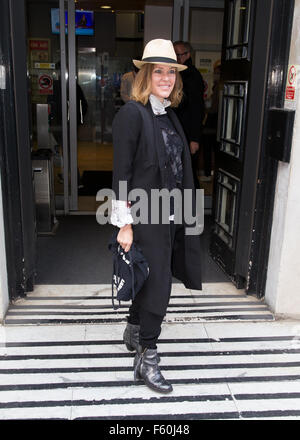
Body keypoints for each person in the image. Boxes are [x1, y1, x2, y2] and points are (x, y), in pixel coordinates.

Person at [111, 39, 202, 394]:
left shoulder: (168, 114)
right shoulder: (132, 114)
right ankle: (148, 357)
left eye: (171, 72)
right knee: (159, 287)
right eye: (158, 71)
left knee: (149, 279)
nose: (166, 77)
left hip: (169, 213)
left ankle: (134, 330)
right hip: (144, 215)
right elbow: (120, 174)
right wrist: (125, 224)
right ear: (144, 75)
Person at [173, 41, 205, 188]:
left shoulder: (192, 76)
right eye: (175, 55)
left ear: (188, 54)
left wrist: (194, 138)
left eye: (180, 54)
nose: (178, 58)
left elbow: (197, 108)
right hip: (178, 132)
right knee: (181, 174)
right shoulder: (177, 73)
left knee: (189, 174)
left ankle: (195, 210)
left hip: (187, 133)